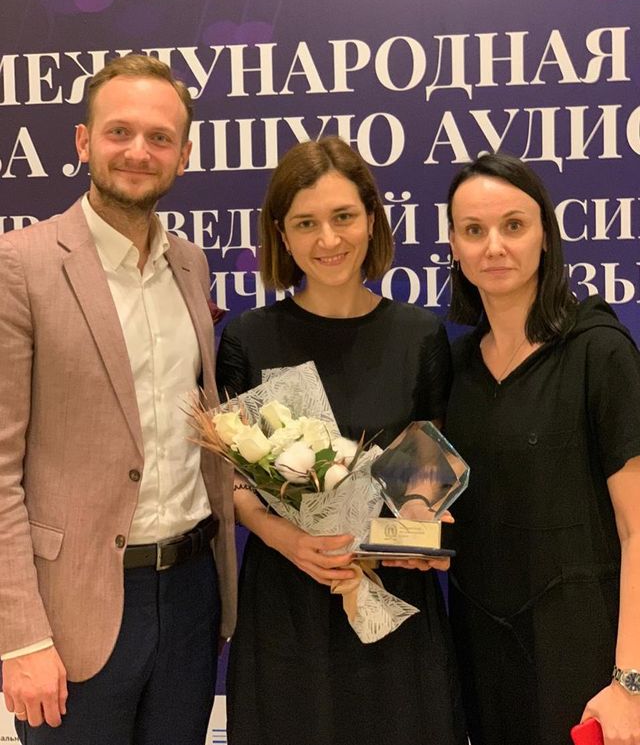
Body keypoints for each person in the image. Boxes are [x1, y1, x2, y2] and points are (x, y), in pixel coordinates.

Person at [0, 54, 236, 745]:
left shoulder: (189, 263)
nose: (139, 151)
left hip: (191, 595)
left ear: (183, 155)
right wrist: (20, 636)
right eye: (119, 132)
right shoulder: (20, 265)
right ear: (83, 141)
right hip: (73, 608)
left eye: (160, 137)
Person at [215, 136, 466, 745]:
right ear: (282, 234)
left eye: (343, 216)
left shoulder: (419, 336)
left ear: (371, 219)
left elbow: (429, 471)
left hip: (393, 598)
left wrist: (420, 527)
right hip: (287, 600)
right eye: (306, 222)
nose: (328, 239)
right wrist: (291, 539)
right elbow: (229, 481)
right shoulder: (249, 337)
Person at [444, 152, 640, 745]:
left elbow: (637, 528)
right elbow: (425, 500)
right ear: (453, 246)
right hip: (483, 654)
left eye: (513, 225)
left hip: (584, 657)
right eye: (473, 230)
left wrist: (630, 682)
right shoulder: (454, 367)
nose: (494, 247)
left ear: (545, 236)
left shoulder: (599, 351)